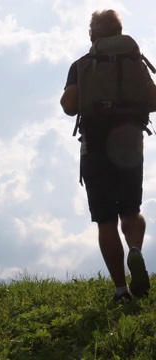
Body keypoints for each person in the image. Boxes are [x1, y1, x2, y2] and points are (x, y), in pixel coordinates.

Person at [60, 9, 156, 302]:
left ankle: (120, 290)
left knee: (105, 220)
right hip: (129, 146)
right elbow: (153, 100)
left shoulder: (81, 65)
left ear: (93, 34)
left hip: (95, 147)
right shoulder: (134, 61)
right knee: (131, 210)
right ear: (119, 31)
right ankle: (136, 250)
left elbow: (69, 106)